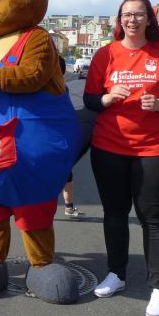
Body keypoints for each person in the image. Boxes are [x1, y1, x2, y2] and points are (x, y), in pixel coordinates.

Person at [84, 0, 159, 316]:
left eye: (139, 14)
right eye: (127, 15)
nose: (132, 20)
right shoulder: (106, 54)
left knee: (152, 218)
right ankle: (117, 274)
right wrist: (106, 98)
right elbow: (89, 100)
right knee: (115, 213)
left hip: (153, 148)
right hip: (108, 147)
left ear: (148, 19)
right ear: (120, 20)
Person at [58, 55, 96, 218]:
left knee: (63, 164)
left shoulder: (67, 85)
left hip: (80, 121)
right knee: (63, 165)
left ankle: (68, 206)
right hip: (85, 122)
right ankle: (68, 207)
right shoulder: (67, 85)